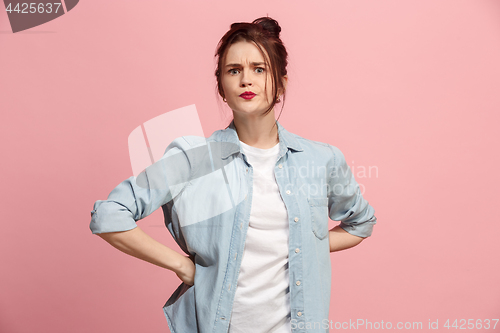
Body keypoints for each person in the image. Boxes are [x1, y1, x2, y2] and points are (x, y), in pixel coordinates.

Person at [90, 16, 377, 333]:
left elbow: (360, 224)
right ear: (221, 86)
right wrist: (181, 264)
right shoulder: (192, 158)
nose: (246, 80)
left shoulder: (320, 159)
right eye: (234, 70)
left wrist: (304, 245)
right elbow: (109, 216)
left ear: (280, 82)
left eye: (259, 69)